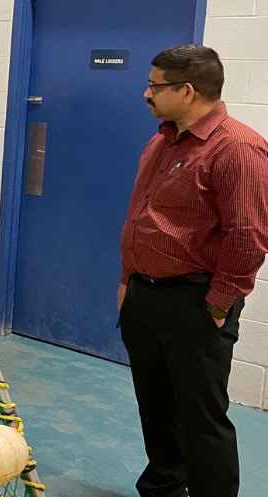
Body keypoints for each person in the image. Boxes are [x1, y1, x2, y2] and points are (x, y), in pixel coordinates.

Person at [118, 44, 268, 497]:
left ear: (187, 90)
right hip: (145, 297)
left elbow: (248, 237)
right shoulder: (161, 141)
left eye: (155, 85)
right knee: (156, 405)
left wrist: (219, 305)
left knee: (202, 416)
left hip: (197, 303)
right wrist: (128, 283)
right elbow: (141, 217)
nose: (146, 93)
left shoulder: (238, 149)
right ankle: (164, 486)